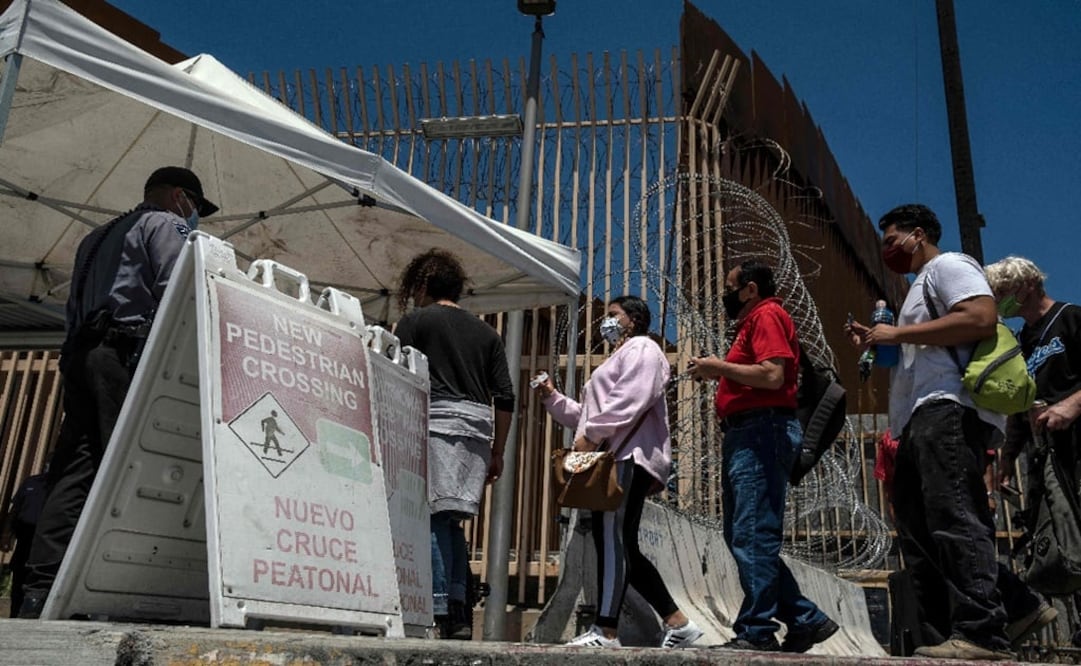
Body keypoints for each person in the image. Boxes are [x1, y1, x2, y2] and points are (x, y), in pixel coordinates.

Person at [17, 167, 217, 618]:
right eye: (196, 206)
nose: (196, 216)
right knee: (130, 468)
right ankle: (119, 589)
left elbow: (72, 307)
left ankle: (39, 589)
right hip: (121, 353)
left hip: (80, 353)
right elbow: (177, 290)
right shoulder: (165, 223)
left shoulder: (95, 238)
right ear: (178, 196)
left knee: (74, 469)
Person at [846, 203, 1012, 660]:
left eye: (892, 240)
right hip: (915, 420)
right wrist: (877, 341)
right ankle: (953, 633)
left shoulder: (949, 266)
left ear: (918, 235)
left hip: (949, 410)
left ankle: (983, 634)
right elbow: (917, 352)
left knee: (956, 519)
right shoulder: (914, 291)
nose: (887, 251)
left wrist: (895, 336)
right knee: (920, 535)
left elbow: (980, 318)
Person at [534, 295, 702, 649]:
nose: (606, 321)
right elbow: (591, 414)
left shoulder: (643, 349)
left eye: (613, 315)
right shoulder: (622, 355)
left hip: (629, 458)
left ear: (634, 319)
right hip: (616, 455)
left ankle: (606, 630)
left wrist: (590, 436)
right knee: (623, 546)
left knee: (610, 539)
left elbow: (628, 402)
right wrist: (554, 399)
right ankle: (679, 624)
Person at [688, 260, 838, 653]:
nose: (727, 295)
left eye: (731, 287)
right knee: (743, 533)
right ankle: (806, 619)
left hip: (761, 431)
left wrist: (716, 367)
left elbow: (773, 375)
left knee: (753, 532)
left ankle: (757, 630)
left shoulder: (767, 314)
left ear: (750, 289)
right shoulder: (754, 321)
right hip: (748, 432)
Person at [393, 249, 513, 640]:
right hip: (478, 427)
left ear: (424, 285)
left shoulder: (416, 321)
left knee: (429, 514)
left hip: (437, 420)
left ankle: (441, 607)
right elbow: (507, 397)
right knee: (451, 518)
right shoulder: (488, 333)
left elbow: (397, 373)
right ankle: (459, 608)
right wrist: (498, 451)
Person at [985, 255, 1080, 644]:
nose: (1001, 301)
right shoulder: (1022, 341)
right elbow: (1024, 402)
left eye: (1004, 293)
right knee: (1065, 542)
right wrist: (1008, 455)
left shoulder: (1071, 318)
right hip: (1050, 456)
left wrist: (1072, 405)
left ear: (1027, 285)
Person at [1, 470, 49, 617]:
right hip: (24, 539)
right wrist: (6, 535)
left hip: (44, 542)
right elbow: (15, 510)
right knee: (18, 579)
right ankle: (14, 615)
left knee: (36, 578)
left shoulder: (59, 486)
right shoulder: (31, 482)